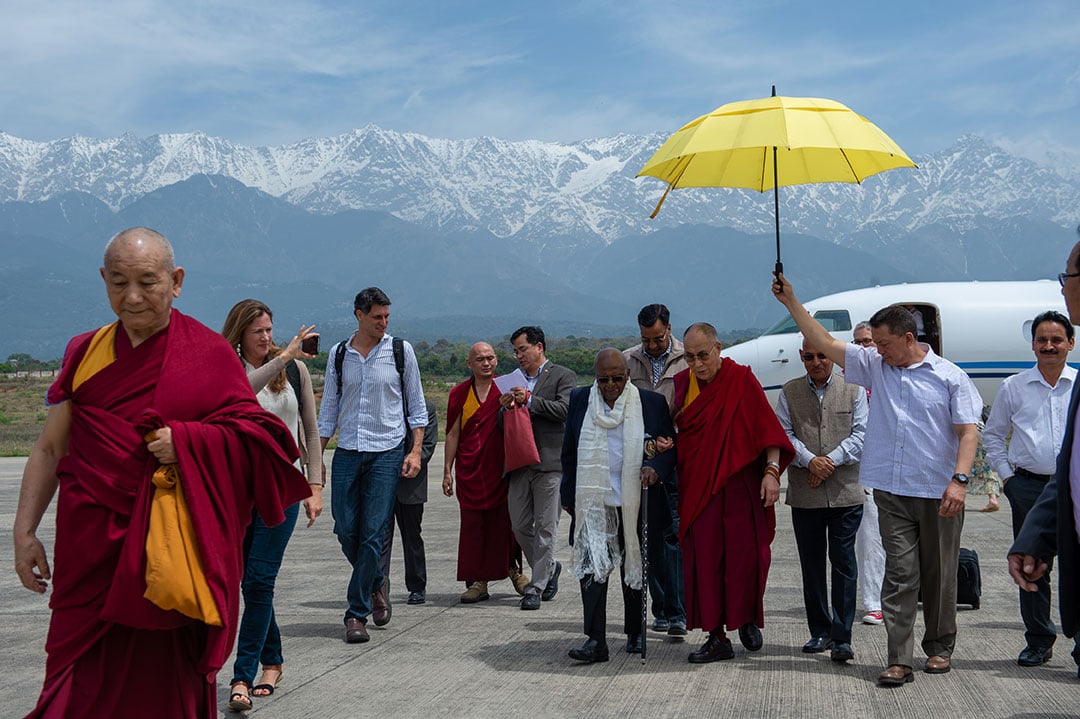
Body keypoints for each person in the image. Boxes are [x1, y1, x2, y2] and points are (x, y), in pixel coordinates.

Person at [13, 228, 311, 718]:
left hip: (171, 556)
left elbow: (262, 440)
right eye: (118, 282)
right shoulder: (83, 353)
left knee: (165, 690)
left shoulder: (209, 355)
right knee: (72, 686)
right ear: (103, 281)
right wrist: (24, 532)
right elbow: (49, 448)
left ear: (176, 281)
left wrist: (190, 444)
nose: (131, 297)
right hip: (89, 555)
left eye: (147, 282)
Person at [772, 273, 981, 687]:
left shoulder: (950, 376)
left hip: (939, 492)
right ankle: (899, 658)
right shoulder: (875, 365)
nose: (876, 350)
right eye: (874, 345)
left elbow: (968, 432)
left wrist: (959, 481)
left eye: (883, 344)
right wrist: (792, 302)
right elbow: (826, 343)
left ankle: (939, 646)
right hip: (891, 489)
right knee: (900, 574)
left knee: (938, 575)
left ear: (908, 338)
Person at [219, 299, 324, 711]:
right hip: (238, 492)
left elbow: (311, 433)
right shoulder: (227, 369)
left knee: (259, 581)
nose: (266, 337)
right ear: (240, 333)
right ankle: (274, 661)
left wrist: (314, 487)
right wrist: (283, 356)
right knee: (250, 582)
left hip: (282, 489)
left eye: (269, 329)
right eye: (258, 331)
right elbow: (240, 394)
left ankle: (241, 676)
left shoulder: (294, 370)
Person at [672, 322, 794, 663]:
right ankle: (716, 636)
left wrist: (771, 473)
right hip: (700, 489)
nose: (697, 364)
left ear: (718, 348)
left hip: (742, 486)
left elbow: (766, 429)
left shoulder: (741, 380)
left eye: (703, 355)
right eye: (690, 357)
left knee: (748, 558)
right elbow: (673, 429)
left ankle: (747, 617)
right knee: (706, 562)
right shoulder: (683, 385)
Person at [318, 287, 428, 644]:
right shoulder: (339, 355)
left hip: (386, 452)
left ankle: (356, 613)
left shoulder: (400, 351)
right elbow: (328, 411)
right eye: (377, 317)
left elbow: (417, 407)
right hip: (347, 451)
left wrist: (414, 451)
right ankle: (377, 582)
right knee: (344, 528)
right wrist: (315, 456)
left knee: (372, 533)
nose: (383, 323)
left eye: (386, 317)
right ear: (359, 315)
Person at [560, 349, 676, 662]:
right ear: (594, 377)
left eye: (617, 378)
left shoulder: (650, 403)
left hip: (635, 499)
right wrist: (568, 496)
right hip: (593, 502)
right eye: (603, 379)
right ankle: (595, 641)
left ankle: (635, 632)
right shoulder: (581, 400)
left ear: (627, 375)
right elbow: (569, 452)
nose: (610, 385)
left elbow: (669, 449)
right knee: (592, 569)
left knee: (634, 565)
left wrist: (657, 467)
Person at [989, 310, 1078, 670]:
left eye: (1057, 339)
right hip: (1028, 487)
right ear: (1032, 345)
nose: (1049, 346)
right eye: (1042, 340)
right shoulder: (1014, 386)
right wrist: (1008, 479)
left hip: (1073, 489)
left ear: (1070, 343)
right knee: (1030, 565)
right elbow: (993, 434)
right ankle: (1039, 640)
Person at [776, 338, 867, 663]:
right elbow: (784, 433)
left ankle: (842, 637)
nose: (817, 363)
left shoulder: (854, 388)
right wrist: (809, 461)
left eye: (823, 356)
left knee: (844, 563)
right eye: (810, 357)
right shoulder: (789, 391)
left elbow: (861, 433)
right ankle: (820, 631)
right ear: (801, 357)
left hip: (846, 492)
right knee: (811, 565)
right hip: (806, 494)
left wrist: (828, 461)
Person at [501, 326, 577, 610]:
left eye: (523, 349)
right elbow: (504, 425)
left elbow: (566, 411)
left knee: (546, 527)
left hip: (550, 463)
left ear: (539, 347)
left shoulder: (562, 375)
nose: (519, 355)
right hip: (520, 464)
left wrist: (531, 401)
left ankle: (536, 586)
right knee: (520, 525)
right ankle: (549, 568)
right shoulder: (513, 381)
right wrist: (506, 408)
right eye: (516, 351)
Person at [623, 303, 688, 636]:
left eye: (658, 339)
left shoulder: (687, 357)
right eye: (646, 340)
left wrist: (674, 439)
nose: (651, 346)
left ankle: (679, 611)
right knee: (646, 537)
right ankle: (660, 608)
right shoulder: (627, 360)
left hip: (676, 457)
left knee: (672, 537)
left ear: (669, 329)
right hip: (639, 459)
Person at [443, 342, 524, 602]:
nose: (486, 363)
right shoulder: (458, 393)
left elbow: (519, 421)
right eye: (480, 359)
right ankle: (478, 581)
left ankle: (515, 571)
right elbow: (453, 433)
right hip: (470, 469)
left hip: (500, 468)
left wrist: (513, 404)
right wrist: (447, 470)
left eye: (490, 358)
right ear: (469, 364)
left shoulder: (507, 387)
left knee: (506, 524)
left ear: (497, 360)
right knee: (473, 526)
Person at [379, 399, 438, 607]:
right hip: (381, 481)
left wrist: (409, 462)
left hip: (411, 484)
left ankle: (417, 586)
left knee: (412, 536)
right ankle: (379, 587)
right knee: (380, 538)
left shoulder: (426, 408)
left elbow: (427, 446)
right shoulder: (383, 403)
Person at [851, 321, 886, 626]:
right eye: (859, 342)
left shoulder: (893, 377)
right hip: (864, 468)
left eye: (869, 342)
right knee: (870, 536)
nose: (864, 347)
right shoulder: (848, 382)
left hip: (898, 467)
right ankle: (872, 601)